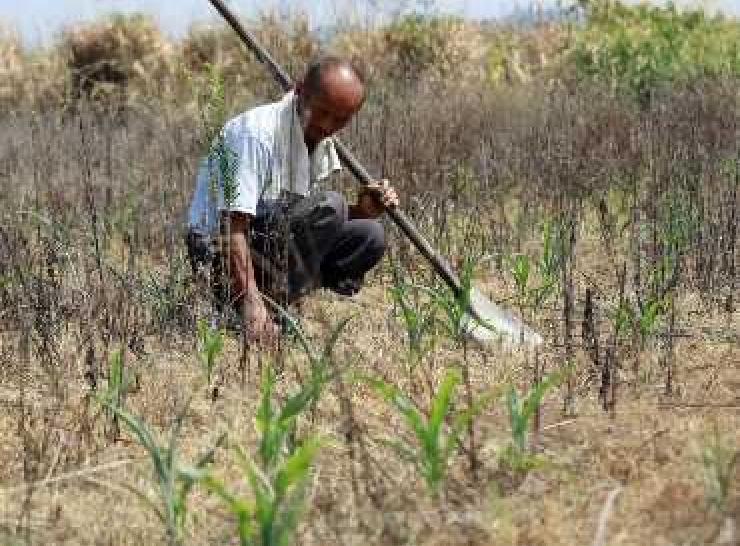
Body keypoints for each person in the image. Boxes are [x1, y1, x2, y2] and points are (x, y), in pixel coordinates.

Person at [185, 55, 398, 345]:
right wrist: (251, 305)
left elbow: (301, 223)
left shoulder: (318, 140)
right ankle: (244, 309)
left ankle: (275, 305)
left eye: (341, 119)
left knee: (368, 235)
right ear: (299, 91)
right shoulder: (255, 133)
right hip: (215, 250)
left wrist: (362, 210)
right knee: (331, 206)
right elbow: (230, 227)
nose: (327, 125)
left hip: (263, 241)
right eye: (322, 111)